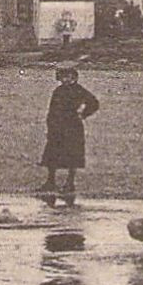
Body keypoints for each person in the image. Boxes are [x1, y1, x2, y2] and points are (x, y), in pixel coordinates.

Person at [39, 67, 99, 204]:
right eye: (63, 77)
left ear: (74, 77)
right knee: (52, 154)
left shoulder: (79, 90)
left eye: (69, 77)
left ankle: (70, 183)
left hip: (72, 126)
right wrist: (50, 124)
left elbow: (94, 103)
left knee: (73, 155)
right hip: (57, 126)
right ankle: (50, 181)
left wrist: (83, 114)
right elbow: (52, 109)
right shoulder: (58, 91)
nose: (66, 79)